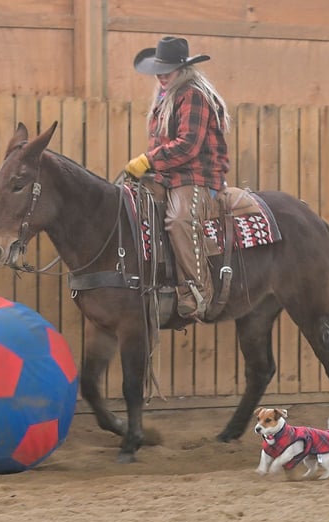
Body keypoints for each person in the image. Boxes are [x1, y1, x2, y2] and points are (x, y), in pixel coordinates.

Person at [125, 36, 231, 321]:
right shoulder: (166, 97)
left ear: (182, 70)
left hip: (198, 177)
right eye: (159, 70)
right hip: (169, 175)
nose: (161, 75)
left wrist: (149, 160)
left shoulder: (193, 95)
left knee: (179, 220)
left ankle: (197, 293)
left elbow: (188, 145)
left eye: (167, 70)